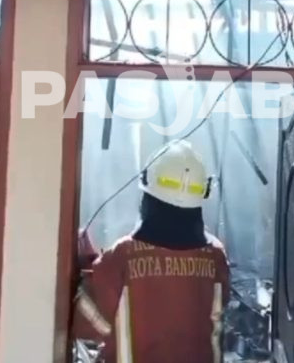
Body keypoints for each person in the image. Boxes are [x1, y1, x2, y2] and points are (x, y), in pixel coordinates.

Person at [72, 139, 231, 363]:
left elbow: (84, 324)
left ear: (147, 193)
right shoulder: (216, 256)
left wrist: (84, 264)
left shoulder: (122, 257)